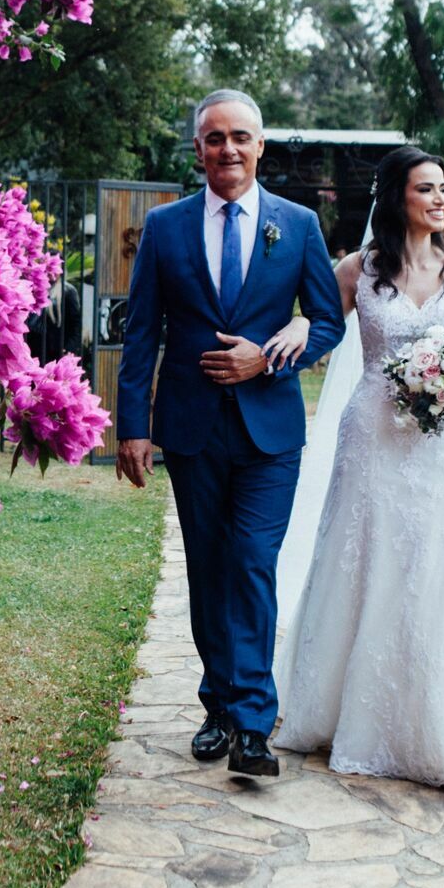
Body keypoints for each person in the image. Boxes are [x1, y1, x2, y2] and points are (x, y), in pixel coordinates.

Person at [275, 145, 444, 790]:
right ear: (397, 199)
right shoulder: (357, 269)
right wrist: (292, 334)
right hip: (372, 438)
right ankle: (343, 709)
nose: (441, 200)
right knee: (366, 559)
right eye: (426, 189)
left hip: (443, 443)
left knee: (437, 565)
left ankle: (438, 721)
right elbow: (323, 329)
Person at [115, 91, 346, 777]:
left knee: (250, 560)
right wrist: (134, 426)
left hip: (270, 430)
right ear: (198, 150)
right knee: (210, 569)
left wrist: (278, 349)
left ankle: (251, 722)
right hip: (190, 428)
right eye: (214, 138)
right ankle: (216, 704)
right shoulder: (165, 229)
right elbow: (141, 333)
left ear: (260, 146)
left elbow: (326, 319)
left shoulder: (297, 225)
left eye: (240, 136)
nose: (228, 149)